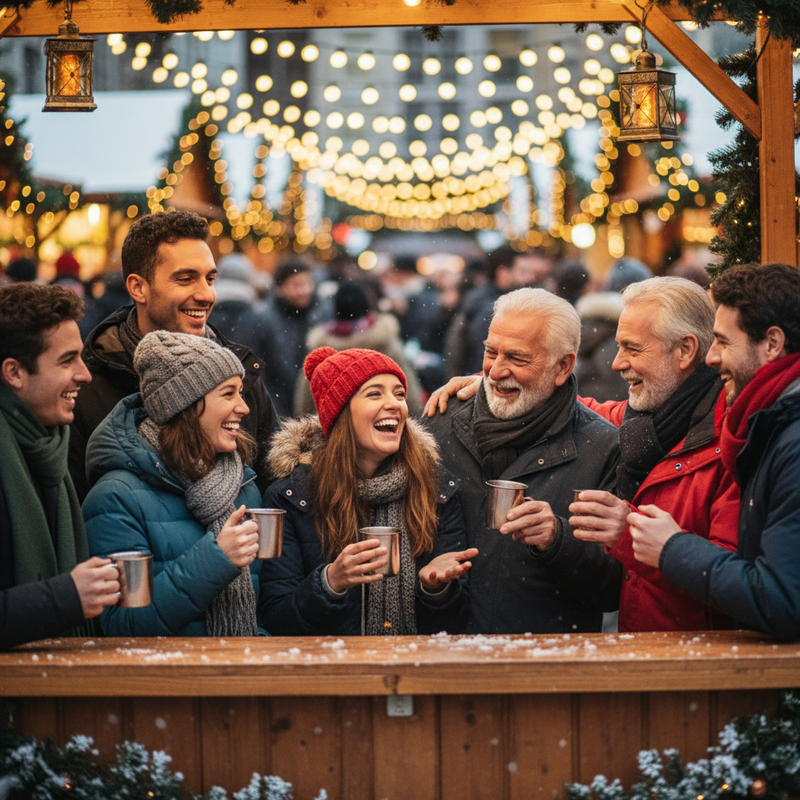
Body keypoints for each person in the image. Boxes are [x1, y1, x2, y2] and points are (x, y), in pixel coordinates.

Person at [427, 277, 740, 632]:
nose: (616, 363)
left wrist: (639, 539)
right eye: (491, 351)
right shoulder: (640, 423)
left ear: (685, 350)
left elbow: (737, 584)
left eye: (633, 349)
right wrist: (494, 383)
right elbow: (566, 408)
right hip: (647, 653)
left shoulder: (731, 443)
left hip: (706, 665)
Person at [424, 288, 620, 634]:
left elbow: (611, 589)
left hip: (547, 670)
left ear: (563, 367)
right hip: (445, 664)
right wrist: (431, 587)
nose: (496, 371)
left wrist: (557, 539)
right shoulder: (438, 426)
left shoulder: (602, 448)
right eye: (490, 352)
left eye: (517, 358)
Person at [627, 263, 800, 640]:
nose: (712, 357)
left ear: (772, 343)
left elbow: (783, 600)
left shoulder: (791, 441)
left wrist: (672, 548)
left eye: (722, 341)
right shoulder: (768, 424)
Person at [260, 347, 476, 636]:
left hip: (415, 671)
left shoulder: (437, 489)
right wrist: (330, 583)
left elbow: (456, 623)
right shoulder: (293, 497)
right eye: (375, 394)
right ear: (340, 414)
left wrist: (436, 589)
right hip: (333, 674)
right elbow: (277, 621)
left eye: (399, 394)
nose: (395, 404)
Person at [70, 211, 277, 502]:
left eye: (210, 279)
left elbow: (273, 494)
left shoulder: (242, 378)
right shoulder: (90, 387)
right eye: (185, 279)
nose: (206, 295)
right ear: (138, 287)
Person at [83, 331, 263, 637]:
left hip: (241, 674)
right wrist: (215, 560)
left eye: (241, 392)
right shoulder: (115, 498)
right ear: (185, 404)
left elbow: (266, 611)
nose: (244, 407)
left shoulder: (242, 485)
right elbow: (122, 627)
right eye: (228, 393)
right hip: (167, 681)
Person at [0, 283, 119, 649]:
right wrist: (64, 597)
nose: (84, 375)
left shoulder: (47, 445)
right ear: (15, 373)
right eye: (68, 360)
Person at [295, 280, 424, 417]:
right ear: (367, 307)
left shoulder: (322, 353)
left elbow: (305, 406)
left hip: (334, 434)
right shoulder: (386, 343)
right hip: (385, 425)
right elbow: (411, 397)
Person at [443, 246, 553, 379]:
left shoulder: (478, 299)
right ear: (503, 273)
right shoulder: (492, 308)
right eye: (522, 272)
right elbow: (483, 355)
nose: (529, 278)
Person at [258, 259, 330, 417]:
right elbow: (263, 373)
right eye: (296, 285)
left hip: (317, 410)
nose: (305, 290)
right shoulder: (266, 320)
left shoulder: (323, 315)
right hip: (279, 409)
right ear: (280, 289)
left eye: (308, 283)